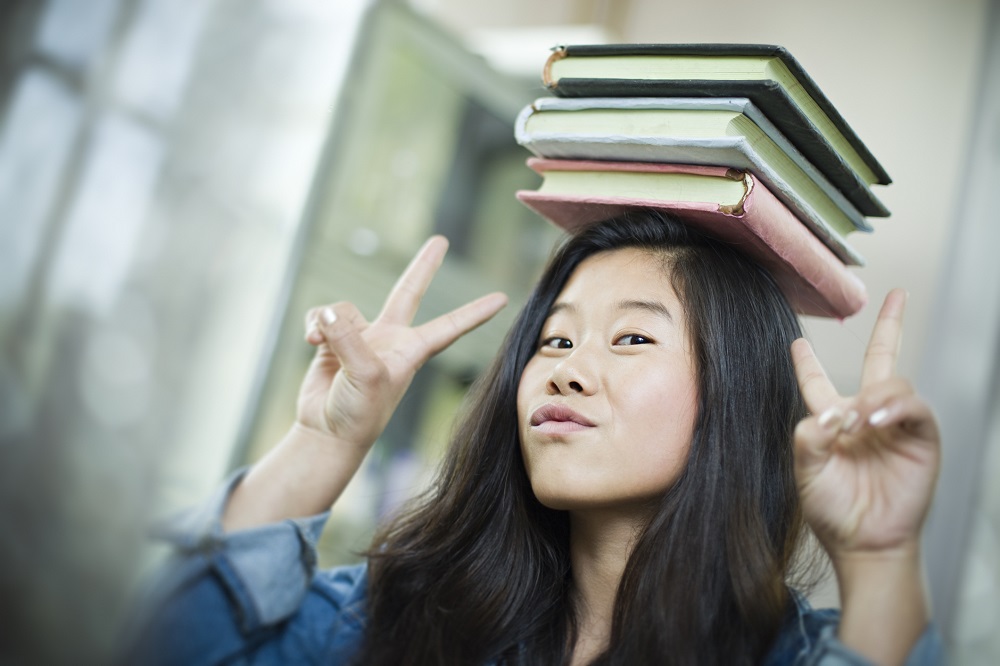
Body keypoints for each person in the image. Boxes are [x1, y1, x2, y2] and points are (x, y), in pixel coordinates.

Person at [124, 211, 942, 665]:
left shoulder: (783, 658)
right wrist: (323, 439)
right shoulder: (400, 616)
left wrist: (877, 560)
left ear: (733, 393)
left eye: (630, 340)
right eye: (553, 340)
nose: (567, 371)